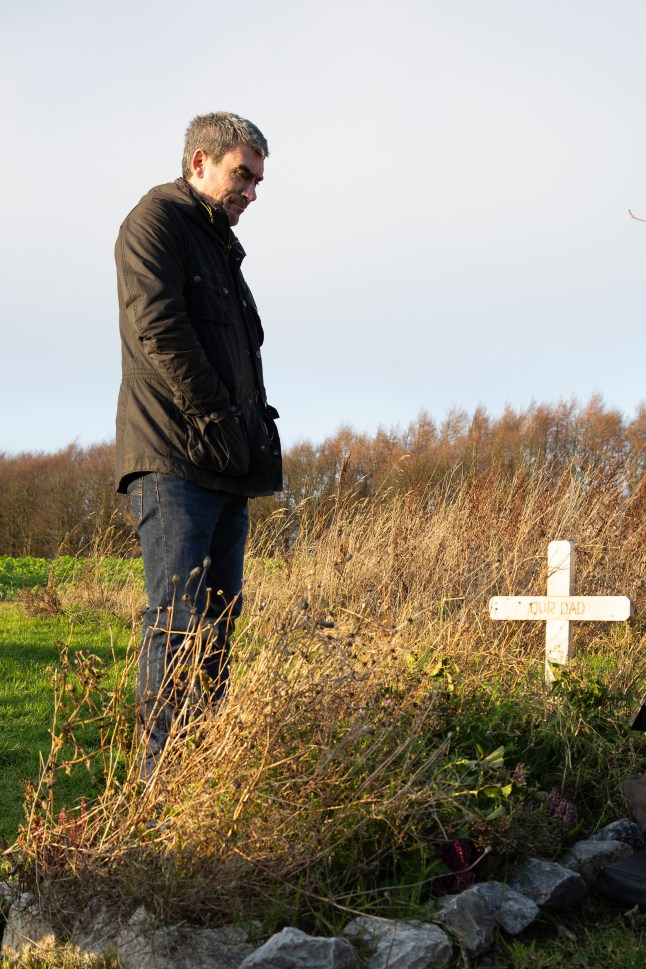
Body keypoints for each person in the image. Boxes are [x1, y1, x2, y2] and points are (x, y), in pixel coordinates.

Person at [114, 111, 282, 777]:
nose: (251, 191)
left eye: (258, 180)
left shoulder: (221, 248)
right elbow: (160, 331)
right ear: (199, 163)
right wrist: (217, 420)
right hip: (175, 462)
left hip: (227, 468)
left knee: (216, 627)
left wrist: (249, 437)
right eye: (242, 174)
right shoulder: (154, 225)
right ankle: (158, 788)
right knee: (177, 621)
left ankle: (200, 778)